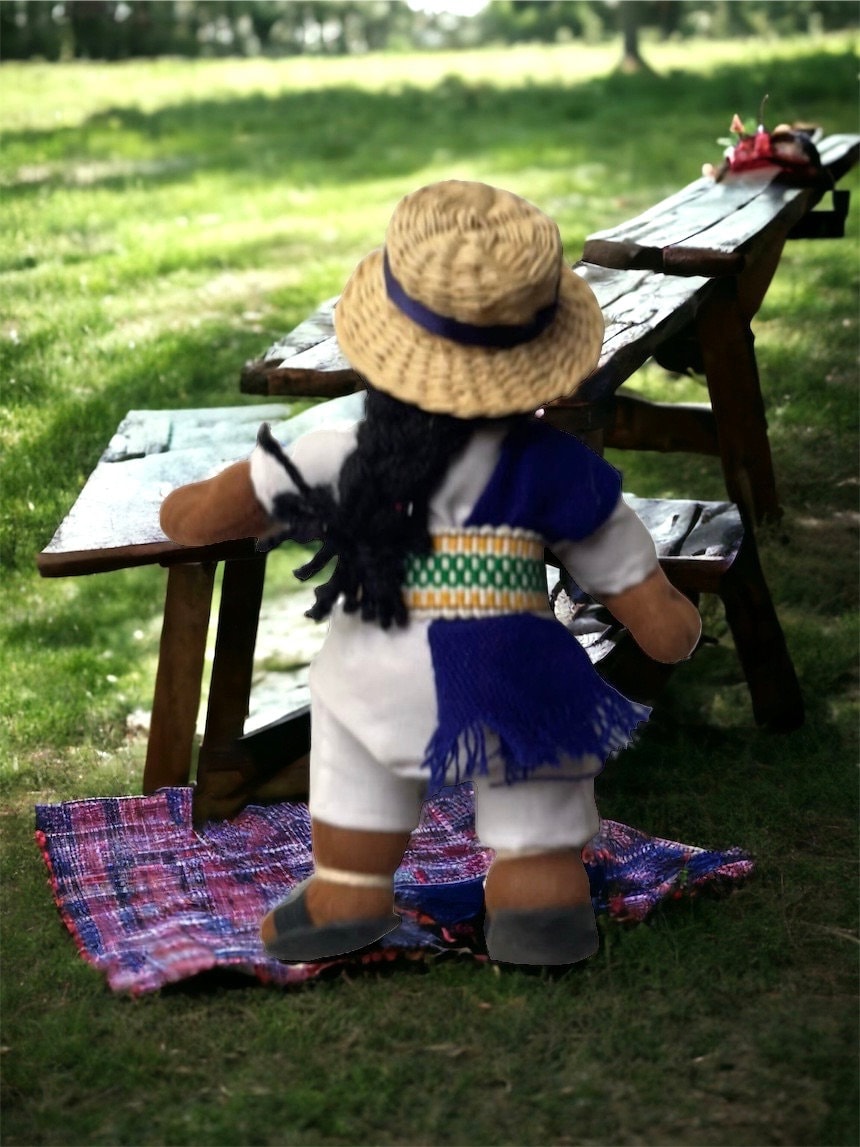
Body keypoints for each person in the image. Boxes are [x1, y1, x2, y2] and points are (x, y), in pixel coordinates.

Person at [160, 180, 701, 966]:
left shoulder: (345, 452)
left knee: (353, 740)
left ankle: (349, 888)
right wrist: (668, 623)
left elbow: (221, 507)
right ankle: (539, 900)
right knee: (537, 759)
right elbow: (631, 578)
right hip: (511, 668)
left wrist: (189, 508)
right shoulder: (554, 466)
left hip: (378, 669)